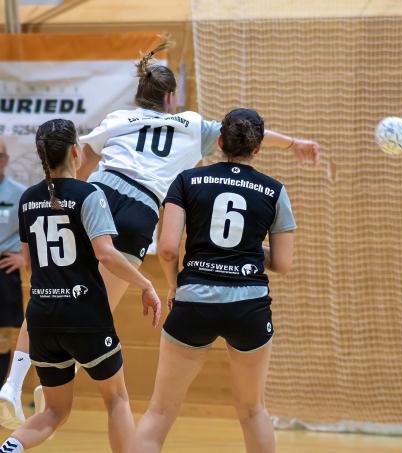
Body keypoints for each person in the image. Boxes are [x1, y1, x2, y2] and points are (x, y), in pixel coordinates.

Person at [0, 38, 319, 426]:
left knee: (54, 290)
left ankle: (15, 384)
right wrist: (294, 144)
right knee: (93, 311)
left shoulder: (119, 119)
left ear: (140, 94)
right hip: (138, 210)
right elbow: (248, 131)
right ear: (171, 97)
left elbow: (75, 151)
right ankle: (53, 378)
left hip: (99, 193)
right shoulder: (192, 124)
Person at [131, 108, 294, 453]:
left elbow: (167, 249)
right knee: (253, 410)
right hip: (249, 307)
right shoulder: (275, 191)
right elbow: (282, 262)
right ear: (258, 148)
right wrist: (247, 250)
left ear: (218, 142)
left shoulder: (187, 180)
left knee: (160, 411)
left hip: (194, 302)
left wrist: (175, 287)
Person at [0, 119, 161, 453]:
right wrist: (146, 283)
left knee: (55, 411)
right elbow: (107, 254)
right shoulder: (90, 194)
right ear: (76, 151)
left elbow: (28, 263)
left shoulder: (28, 199)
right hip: (84, 314)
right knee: (116, 399)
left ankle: (10, 447)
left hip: (42, 316)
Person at [0, 141, 27, 400]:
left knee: (4, 339)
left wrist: (23, 259)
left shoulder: (20, 194)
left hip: (4, 270)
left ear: (7, 158)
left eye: (0, 156)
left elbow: (34, 233)